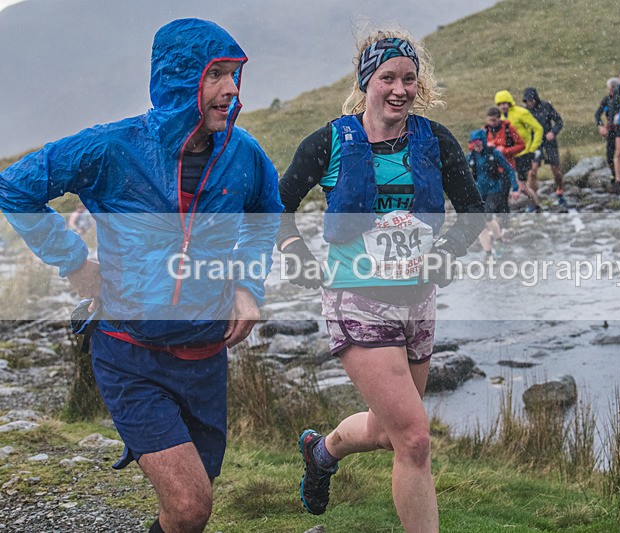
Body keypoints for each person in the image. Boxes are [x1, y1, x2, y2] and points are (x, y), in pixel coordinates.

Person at [0, 18, 283, 533]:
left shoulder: (244, 154)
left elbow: (267, 214)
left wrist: (247, 286)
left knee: (188, 513)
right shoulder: (113, 147)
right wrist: (74, 263)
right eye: (215, 74)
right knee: (191, 503)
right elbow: (15, 187)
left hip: (205, 358)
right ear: (179, 79)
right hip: (129, 354)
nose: (231, 89)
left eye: (234, 74)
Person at [277, 29, 485, 531]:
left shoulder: (434, 140)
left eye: (409, 79)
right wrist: (296, 253)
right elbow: (274, 206)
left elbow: (475, 211)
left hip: (418, 301)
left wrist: (448, 252)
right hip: (356, 299)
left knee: (391, 433)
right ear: (365, 81)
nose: (399, 89)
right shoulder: (330, 142)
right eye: (388, 77)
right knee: (415, 438)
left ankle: (322, 452)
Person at [467, 129, 516, 258]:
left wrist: (515, 187)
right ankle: (488, 253)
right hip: (478, 194)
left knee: (487, 216)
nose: (475, 145)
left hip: (494, 191)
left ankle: (499, 238)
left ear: (483, 141)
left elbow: (509, 170)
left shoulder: (494, 154)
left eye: (478, 142)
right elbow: (461, 174)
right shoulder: (470, 157)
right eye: (473, 142)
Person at [494, 90, 544, 211]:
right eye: (500, 104)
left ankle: (535, 205)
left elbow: (538, 128)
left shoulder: (521, 113)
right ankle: (509, 207)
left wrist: (532, 148)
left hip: (523, 153)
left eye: (505, 103)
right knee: (510, 183)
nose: (503, 106)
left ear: (510, 102)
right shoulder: (500, 118)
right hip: (509, 154)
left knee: (522, 185)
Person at [521, 87, 567, 207]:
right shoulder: (524, 111)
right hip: (535, 143)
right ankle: (533, 199)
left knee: (556, 171)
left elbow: (559, 121)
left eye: (531, 100)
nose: (529, 103)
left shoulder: (546, 106)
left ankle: (560, 191)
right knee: (532, 171)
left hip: (549, 142)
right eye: (526, 101)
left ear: (536, 99)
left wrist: (553, 132)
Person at [484, 106, 525, 212]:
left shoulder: (508, 128)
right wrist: (488, 147)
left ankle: (503, 221)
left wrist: (505, 150)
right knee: (492, 197)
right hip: (491, 169)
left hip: (506, 167)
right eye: (490, 120)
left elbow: (521, 145)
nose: (492, 123)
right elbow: (474, 146)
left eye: (494, 120)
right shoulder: (485, 130)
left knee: (503, 198)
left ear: (499, 118)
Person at [595, 77, 620, 179]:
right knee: (610, 155)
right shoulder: (606, 100)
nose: (612, 90)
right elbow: (597, 114)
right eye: (610, 88)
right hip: (612, 129)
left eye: (614, 88)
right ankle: (614, 174)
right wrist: (600, 126)